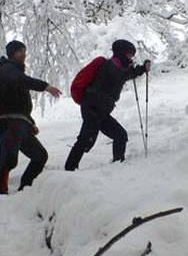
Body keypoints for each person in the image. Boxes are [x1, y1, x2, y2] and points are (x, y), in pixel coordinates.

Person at [64, 40, 151, 171]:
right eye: (129, 55)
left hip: (102, 111)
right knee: (86, 139)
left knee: (120, 135)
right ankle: (69, 169)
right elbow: (118, 74)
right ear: (122, 53)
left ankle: (117, 166)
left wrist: (142, 69)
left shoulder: (120, 67)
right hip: (92, 107)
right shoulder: (110, 65)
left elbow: (127, 74)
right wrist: (131, 67)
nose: (131, 58)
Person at [0, 40, 62, 194]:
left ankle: (25, 190)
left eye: (24, 51)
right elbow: (22, 82)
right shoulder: (7, 69)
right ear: (12, 53)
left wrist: (30, 122)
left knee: (40, 156)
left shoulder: (13, 71)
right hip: (10, 122)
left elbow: (19, 103)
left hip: (20, 122)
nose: (24, 54)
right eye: (20, 51)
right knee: (8, 160)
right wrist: (46, 86)